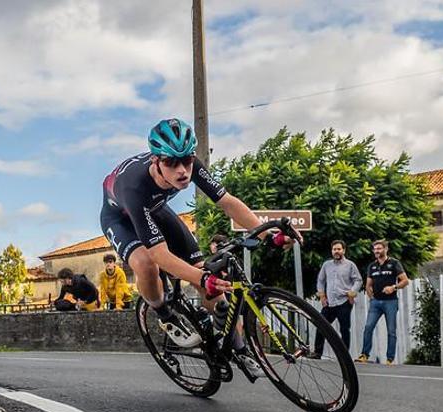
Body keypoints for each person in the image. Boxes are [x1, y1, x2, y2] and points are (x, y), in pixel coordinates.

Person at [99, 118, 301, 379]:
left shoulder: (189, 167)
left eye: (187, 160)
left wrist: (267, 234)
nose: (182, 170)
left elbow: (227, 202)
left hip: (157, 210)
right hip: (120, 218)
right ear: (155, 161)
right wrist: (203, 279)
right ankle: (164, 313)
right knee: (147, 264)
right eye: (171, 163)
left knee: (206, 276)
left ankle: (239, 349)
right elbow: (160, 254)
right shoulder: (133, 186)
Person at [358, 239, 409, 365]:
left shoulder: (394, 263)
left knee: (391, 330)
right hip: (376, 303)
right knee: (368, 327)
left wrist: (393, 288)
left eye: (379, 248)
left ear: (386, 249)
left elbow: (405, 281)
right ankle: (364, 354)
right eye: (375, 249)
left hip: (390, 302)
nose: (376, 251)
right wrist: (371, 297)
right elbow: (368, 284)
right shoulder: (372, 266)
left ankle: (389, 359)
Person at [310, 240, 362, 359]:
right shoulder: (326, 265)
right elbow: (321, 280)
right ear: (332, 251)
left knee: (344, 329)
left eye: (339, 249)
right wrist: (322, 295)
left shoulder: (350, 265)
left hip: (344, 302)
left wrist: (353, 291)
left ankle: (344, 356)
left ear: (343, 250)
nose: (336, 251)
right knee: (321, 325)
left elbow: (358, 280)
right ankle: (317, 352)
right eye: (334, 249)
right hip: (329, 302)